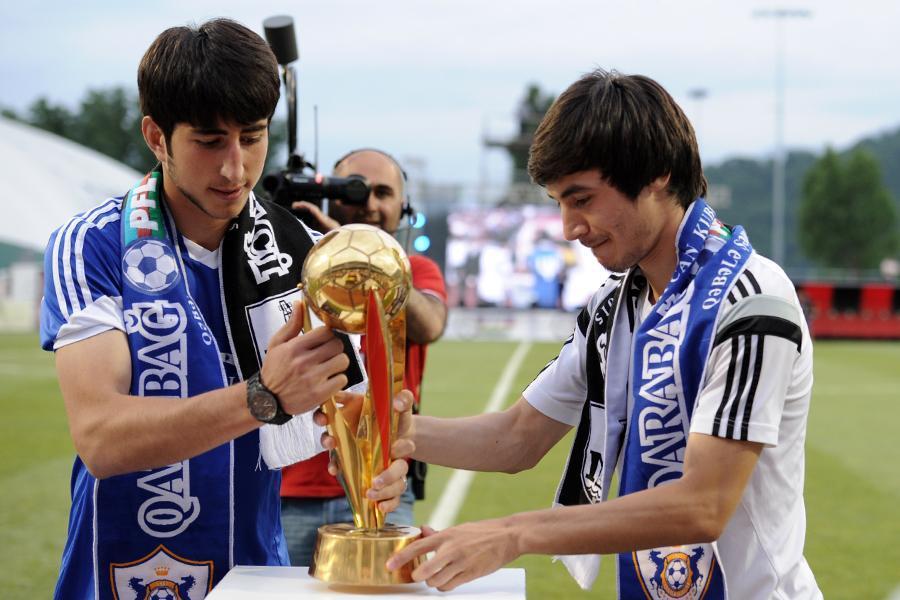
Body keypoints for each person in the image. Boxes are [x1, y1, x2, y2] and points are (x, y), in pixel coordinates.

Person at [386, 69, 822, 599]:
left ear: (657, 175)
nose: (569, 227)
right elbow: (520, 435)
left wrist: (511, 534)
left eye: (583, 199)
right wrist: (390, 428)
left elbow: (703, 505)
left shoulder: (753, 300)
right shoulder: (612, 307)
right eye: (559, 203)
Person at [39, 20, 407, 600]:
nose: (236, 168)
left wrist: (377, 451)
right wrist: (263, 398)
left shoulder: (307, 255)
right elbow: (102, 438)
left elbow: (350, 416)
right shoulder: (92, 245)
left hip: (255, 577)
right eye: (210, 142)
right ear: (157, 136)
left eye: (252, 137)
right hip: (116, 577)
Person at [282, 148, 448, 566]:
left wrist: (361, 257)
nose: (369, 204)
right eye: (354, 191)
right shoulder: (290, 264)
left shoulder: (415, 269)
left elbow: (430, 325)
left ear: (403, 206)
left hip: (385, 483)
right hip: (287, 489)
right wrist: (319, 254)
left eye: (383, 193)